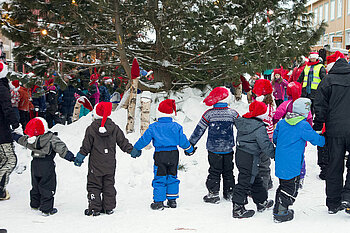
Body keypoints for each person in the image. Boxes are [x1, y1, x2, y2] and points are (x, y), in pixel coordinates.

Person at [132, 99, 195, 210]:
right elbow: (183, 140)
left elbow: (144, 139)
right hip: (173, 155)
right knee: (172, 175)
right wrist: (189, 149)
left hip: (160, 155)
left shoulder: (153, 127)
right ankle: (172, 200)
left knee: (159, 177)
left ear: (159, 114)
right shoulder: (176, 127)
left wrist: (136, 148)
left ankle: (159, 201)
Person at [74, 102, 135, 216]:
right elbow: (123, 142)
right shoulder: (114, 128)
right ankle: (108, 207)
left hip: (95, 165)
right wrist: (131, 150)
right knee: (109, 184)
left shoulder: (91, 129)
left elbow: (86, 146)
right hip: (110, 163)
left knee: (94, 185)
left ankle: (95, 208)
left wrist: (80, 157)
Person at [273, 98, 325, 222]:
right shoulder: (303, 125)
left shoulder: (282, 123)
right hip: (293, 162)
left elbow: (275, 138)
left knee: (283, 184)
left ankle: (278, 207)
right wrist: (325, 139)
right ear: (306, 111)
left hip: (280, 159)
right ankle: (281, 213)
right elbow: (316, 140)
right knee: (290, 188)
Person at [12, 117, 75, 216]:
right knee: (47, 185)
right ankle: (46, 209)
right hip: (46, 164)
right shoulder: (51, 138)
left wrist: (13, 135)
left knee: (35, 184)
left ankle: (35, 204)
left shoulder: (30, 140)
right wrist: (71, 158)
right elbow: (61, 149)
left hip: (35, 164)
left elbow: (20, 139)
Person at [313, 51, 350, 215]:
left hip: (334, 130)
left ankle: (333, 203)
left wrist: (318, 124)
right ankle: (348, 196)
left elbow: (320, 105)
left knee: (334, 165)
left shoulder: (327, 80)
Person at [188, 87, 239, 203]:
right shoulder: (233, 113)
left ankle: (213, 193)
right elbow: (242, 128)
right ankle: (230, 192)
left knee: (214, 171)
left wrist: (191, 144)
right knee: (228, 171)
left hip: (213, 149)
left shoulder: (209, 114)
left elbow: (199, 130)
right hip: (228, 149)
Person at [231, 101, 275, 218]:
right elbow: (265, 144)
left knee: (255, 179)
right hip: (250, 156)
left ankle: (261, 202)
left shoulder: (243, 122)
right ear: (261, 114)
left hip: (241, 154)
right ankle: (238, 207)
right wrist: (274, 153)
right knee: (245, 181)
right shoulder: (259, 127)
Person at [272, 82, 312, 188]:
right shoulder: (303, 105)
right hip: (301, 137)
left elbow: (277, 115)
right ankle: (300, 176)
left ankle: (288, 175)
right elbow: (309, 119)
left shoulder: (286, 104)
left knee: (288, 156)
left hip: (287, 136)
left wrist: (275, 123)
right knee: (300, 156)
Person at [0, 61, 19, 200]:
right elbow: (7, 108)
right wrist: (15, 124)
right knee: (10, 159)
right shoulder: (1, 87)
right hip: (2, 131)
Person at [252, 79, 274, 191]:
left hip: (260, 137)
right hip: (268, 138)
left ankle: (262, 188)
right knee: (265, 162)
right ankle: (268, 182)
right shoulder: (270, 103)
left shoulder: (260, 106)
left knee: (262, 164)